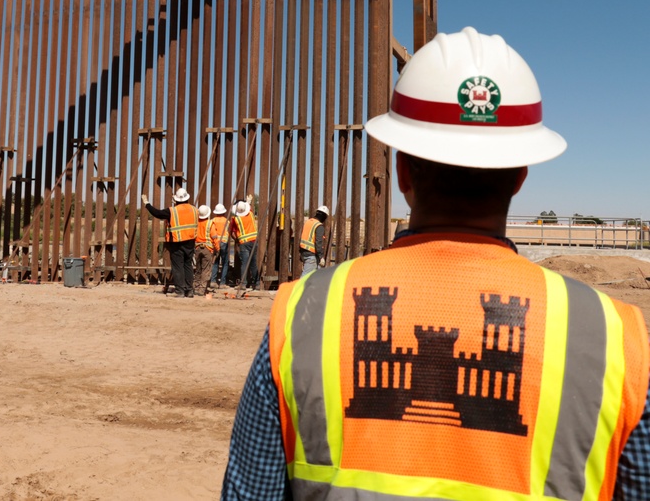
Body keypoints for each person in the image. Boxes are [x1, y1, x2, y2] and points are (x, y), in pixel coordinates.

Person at [222, 27, 650, 499]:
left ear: (403, 170)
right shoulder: (615, 340)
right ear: (521, 177)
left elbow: (249, 491)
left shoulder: (305, 315)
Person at [142, 187, 197, 297]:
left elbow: (157, 213)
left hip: (177, 242)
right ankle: (189, 290)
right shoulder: (194, 209)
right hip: (190, 242)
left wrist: (147, 203)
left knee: (178, 267)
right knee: (188, 266)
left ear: (176, 200)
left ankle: (180, 291)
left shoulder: (172, 211)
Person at [230, 196, 259, 292]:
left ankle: (243, 284)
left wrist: (237, 240)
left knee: (244, 263)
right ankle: (257, 284)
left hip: (244, 242)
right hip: (254, 241)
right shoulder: (250, 214)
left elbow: (231, 231)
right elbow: (249, 208)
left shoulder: (235, 219)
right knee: (253, 264)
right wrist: (248, 201)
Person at [297, 204, 329, 278]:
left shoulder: (308, 222)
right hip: (311, 255)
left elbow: (303, 237)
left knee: (316, 276)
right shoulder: (319, 226)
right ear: (324, 216)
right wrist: (321, 257)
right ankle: (298, 289)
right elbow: (318, 242)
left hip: (303, 252)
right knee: (305, 278)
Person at [192, 204, 216, 296]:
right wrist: (217, 248)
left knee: (198, 269)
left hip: (197, 248)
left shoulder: (196, 223)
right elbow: (214, 237)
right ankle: (202, 289)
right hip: (207, 249)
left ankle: (196, 287)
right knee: (206, 270)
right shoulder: (210, 223)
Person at [209, 203, 231, 288]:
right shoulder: (227, 221)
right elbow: (228, 232)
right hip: (224, 243)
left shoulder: (212, 221)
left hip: (215, 243)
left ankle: (213, 281)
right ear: (224, 212)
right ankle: (222, 283)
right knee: (225, 263)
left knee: (215, 262)